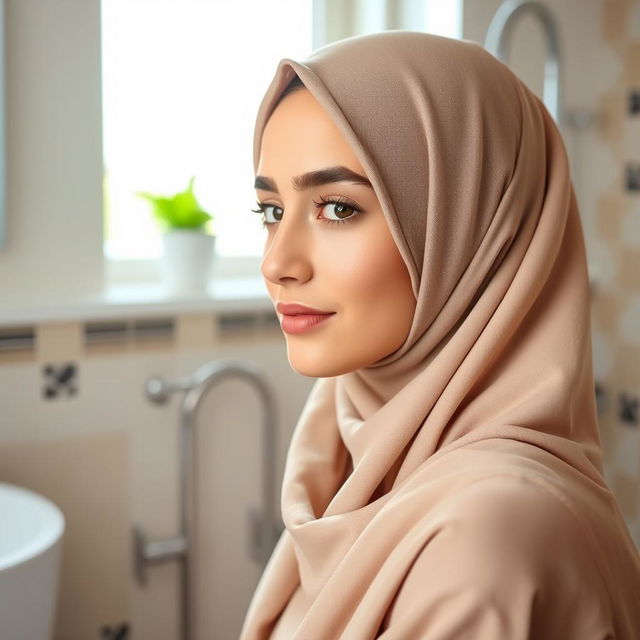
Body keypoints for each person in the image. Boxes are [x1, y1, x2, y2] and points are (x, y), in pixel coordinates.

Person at [240, 30, 640, 639]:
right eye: (271, 211)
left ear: (471, 229)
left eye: (338, 208)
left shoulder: (486, 540)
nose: (277, 263)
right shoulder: (343, 445)